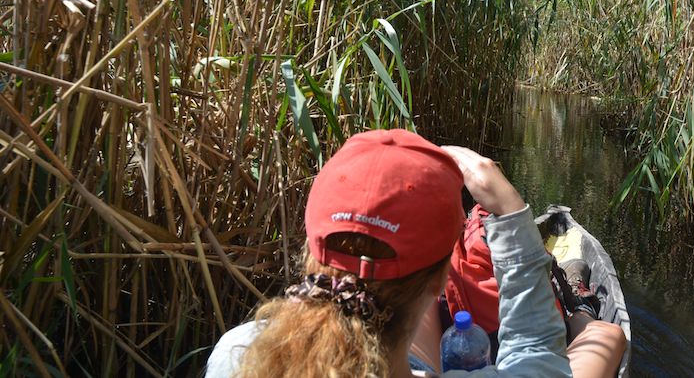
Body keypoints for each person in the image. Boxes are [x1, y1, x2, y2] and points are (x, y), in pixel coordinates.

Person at [206, 129, 624, 377]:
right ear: (443, 278)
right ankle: (580, 307)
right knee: (607, 335)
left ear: (311, 247)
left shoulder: (236, 354)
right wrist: (511, 212)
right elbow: (538, 357)